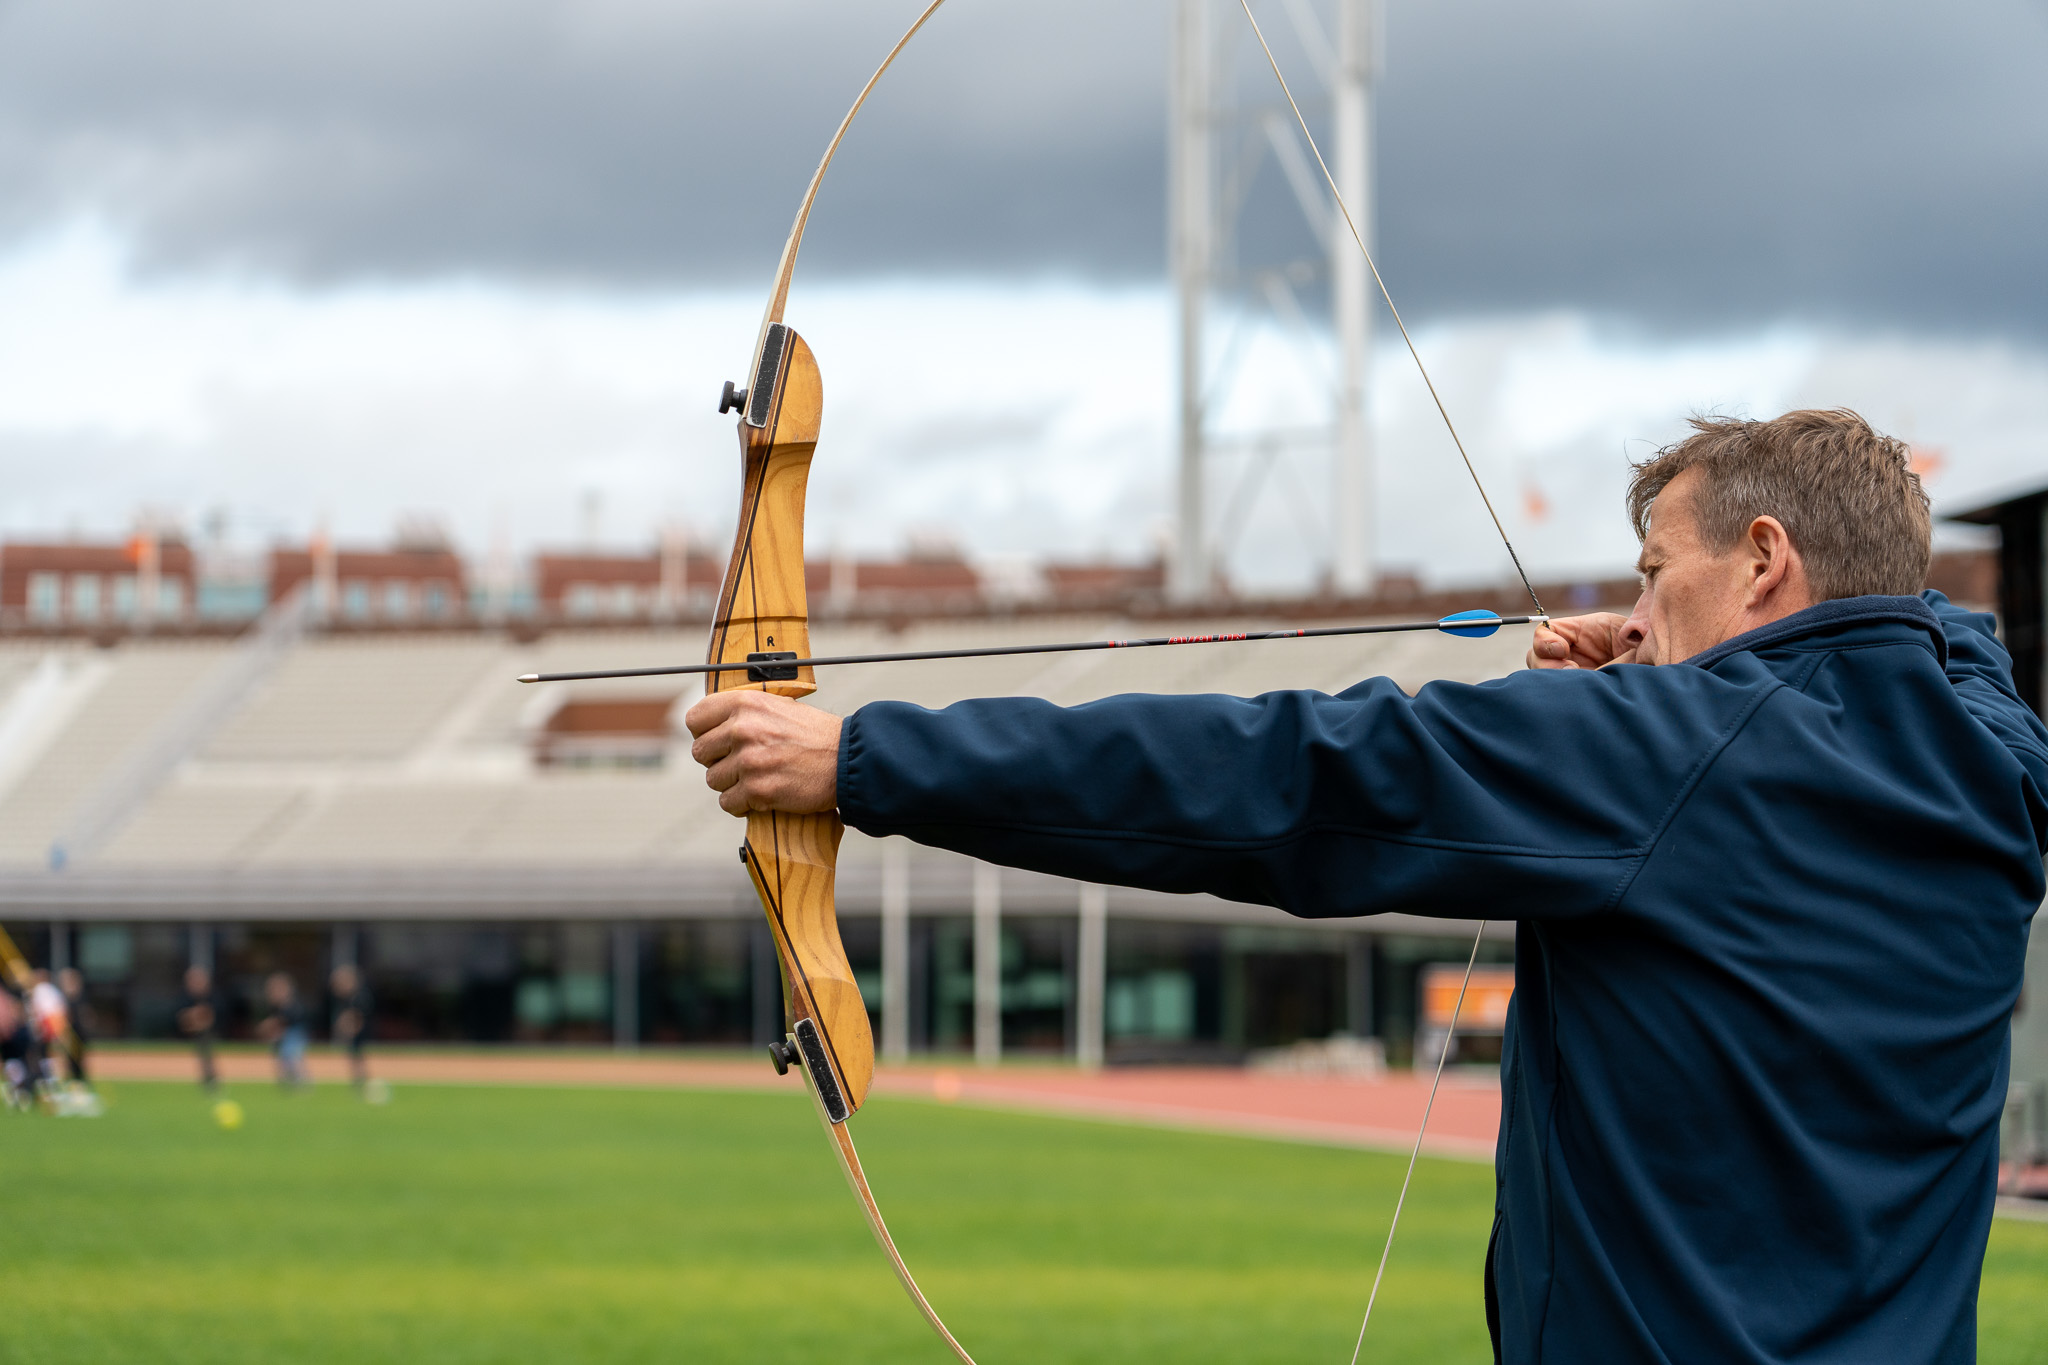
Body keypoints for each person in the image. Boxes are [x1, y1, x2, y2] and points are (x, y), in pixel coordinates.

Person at [683, 409, 2048, 1365]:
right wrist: (1676, 657)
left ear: (1762, 559)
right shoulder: (1992, 765)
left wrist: (861, 761)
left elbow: (1285, 777)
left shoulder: (1666, 754)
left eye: (1653, 574)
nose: (1632, 615)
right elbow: (1941, 640)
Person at [259, 971, 308, 1089]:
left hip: (293, 1035)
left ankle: (300, 1080)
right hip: (281, 1037)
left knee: (291, 1056)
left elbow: (287, 1020)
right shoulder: (275, 1007)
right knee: (282, 1059)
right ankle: (288, 1081)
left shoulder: (292, 1005)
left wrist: (272, 1024)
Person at [329, 963, 373, 1094]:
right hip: (355, 1035)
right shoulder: (347, 999)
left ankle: (363, 1082)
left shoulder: (360, 997)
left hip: (361, 1034)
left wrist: (350, 1028)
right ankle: (359, 1082)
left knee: (358, 1057)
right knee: (355, 1057)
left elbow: (359, 1017)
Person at [176, 964, 221, 1093]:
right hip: (183, 1039)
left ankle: (211, 1081)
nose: (196, 984)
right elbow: (182, 1021)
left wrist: (199, 1019)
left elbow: (211, 1019)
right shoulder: (183, 999)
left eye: (199, 980)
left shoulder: (214, 998)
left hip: (207, 1037)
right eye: (193, 980)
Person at [54, 967, 90, 1088]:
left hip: (77, 1032)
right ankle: (73, 1079)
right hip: (70, 1031)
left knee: (77, 1056)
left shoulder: (77, 997)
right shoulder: (64, 997)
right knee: (69, 1056)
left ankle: (78, 1079)